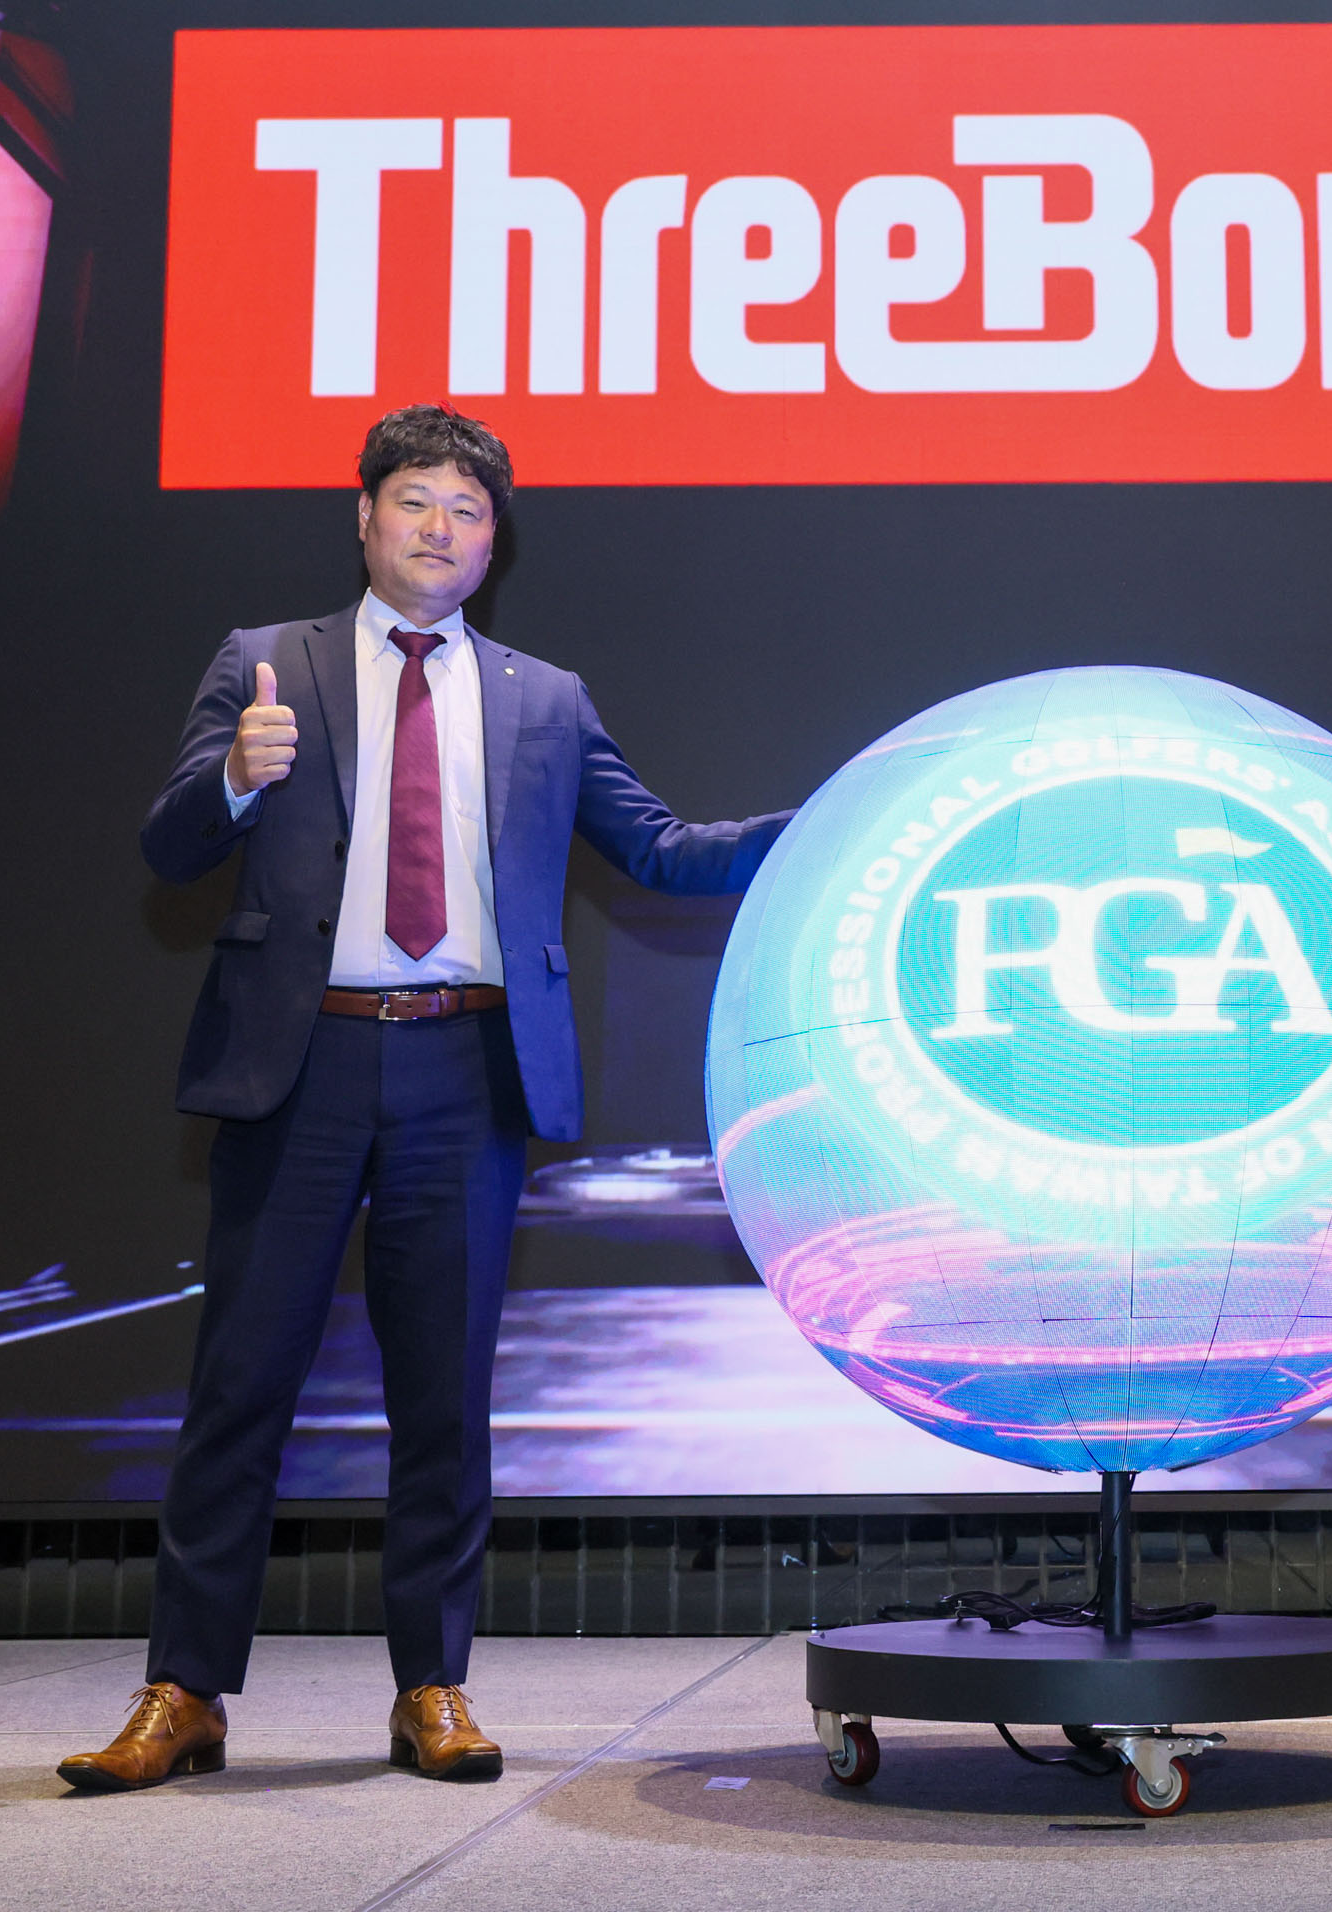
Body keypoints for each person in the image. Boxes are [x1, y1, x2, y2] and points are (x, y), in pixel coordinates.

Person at [59, 405, 789, 1791]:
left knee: (444, 1400)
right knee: (241, 1388)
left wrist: (819, 822)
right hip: (302, 1066)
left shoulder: (544, 698)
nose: (439, 528)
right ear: (364, 517)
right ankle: (184, 1690)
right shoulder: (267, 661)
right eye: (415, 500)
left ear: (492, 542)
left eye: (467, 509)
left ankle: (432, 1687)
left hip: (465, 1070)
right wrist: (233, 779)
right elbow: (168, 845)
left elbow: (663, 849)